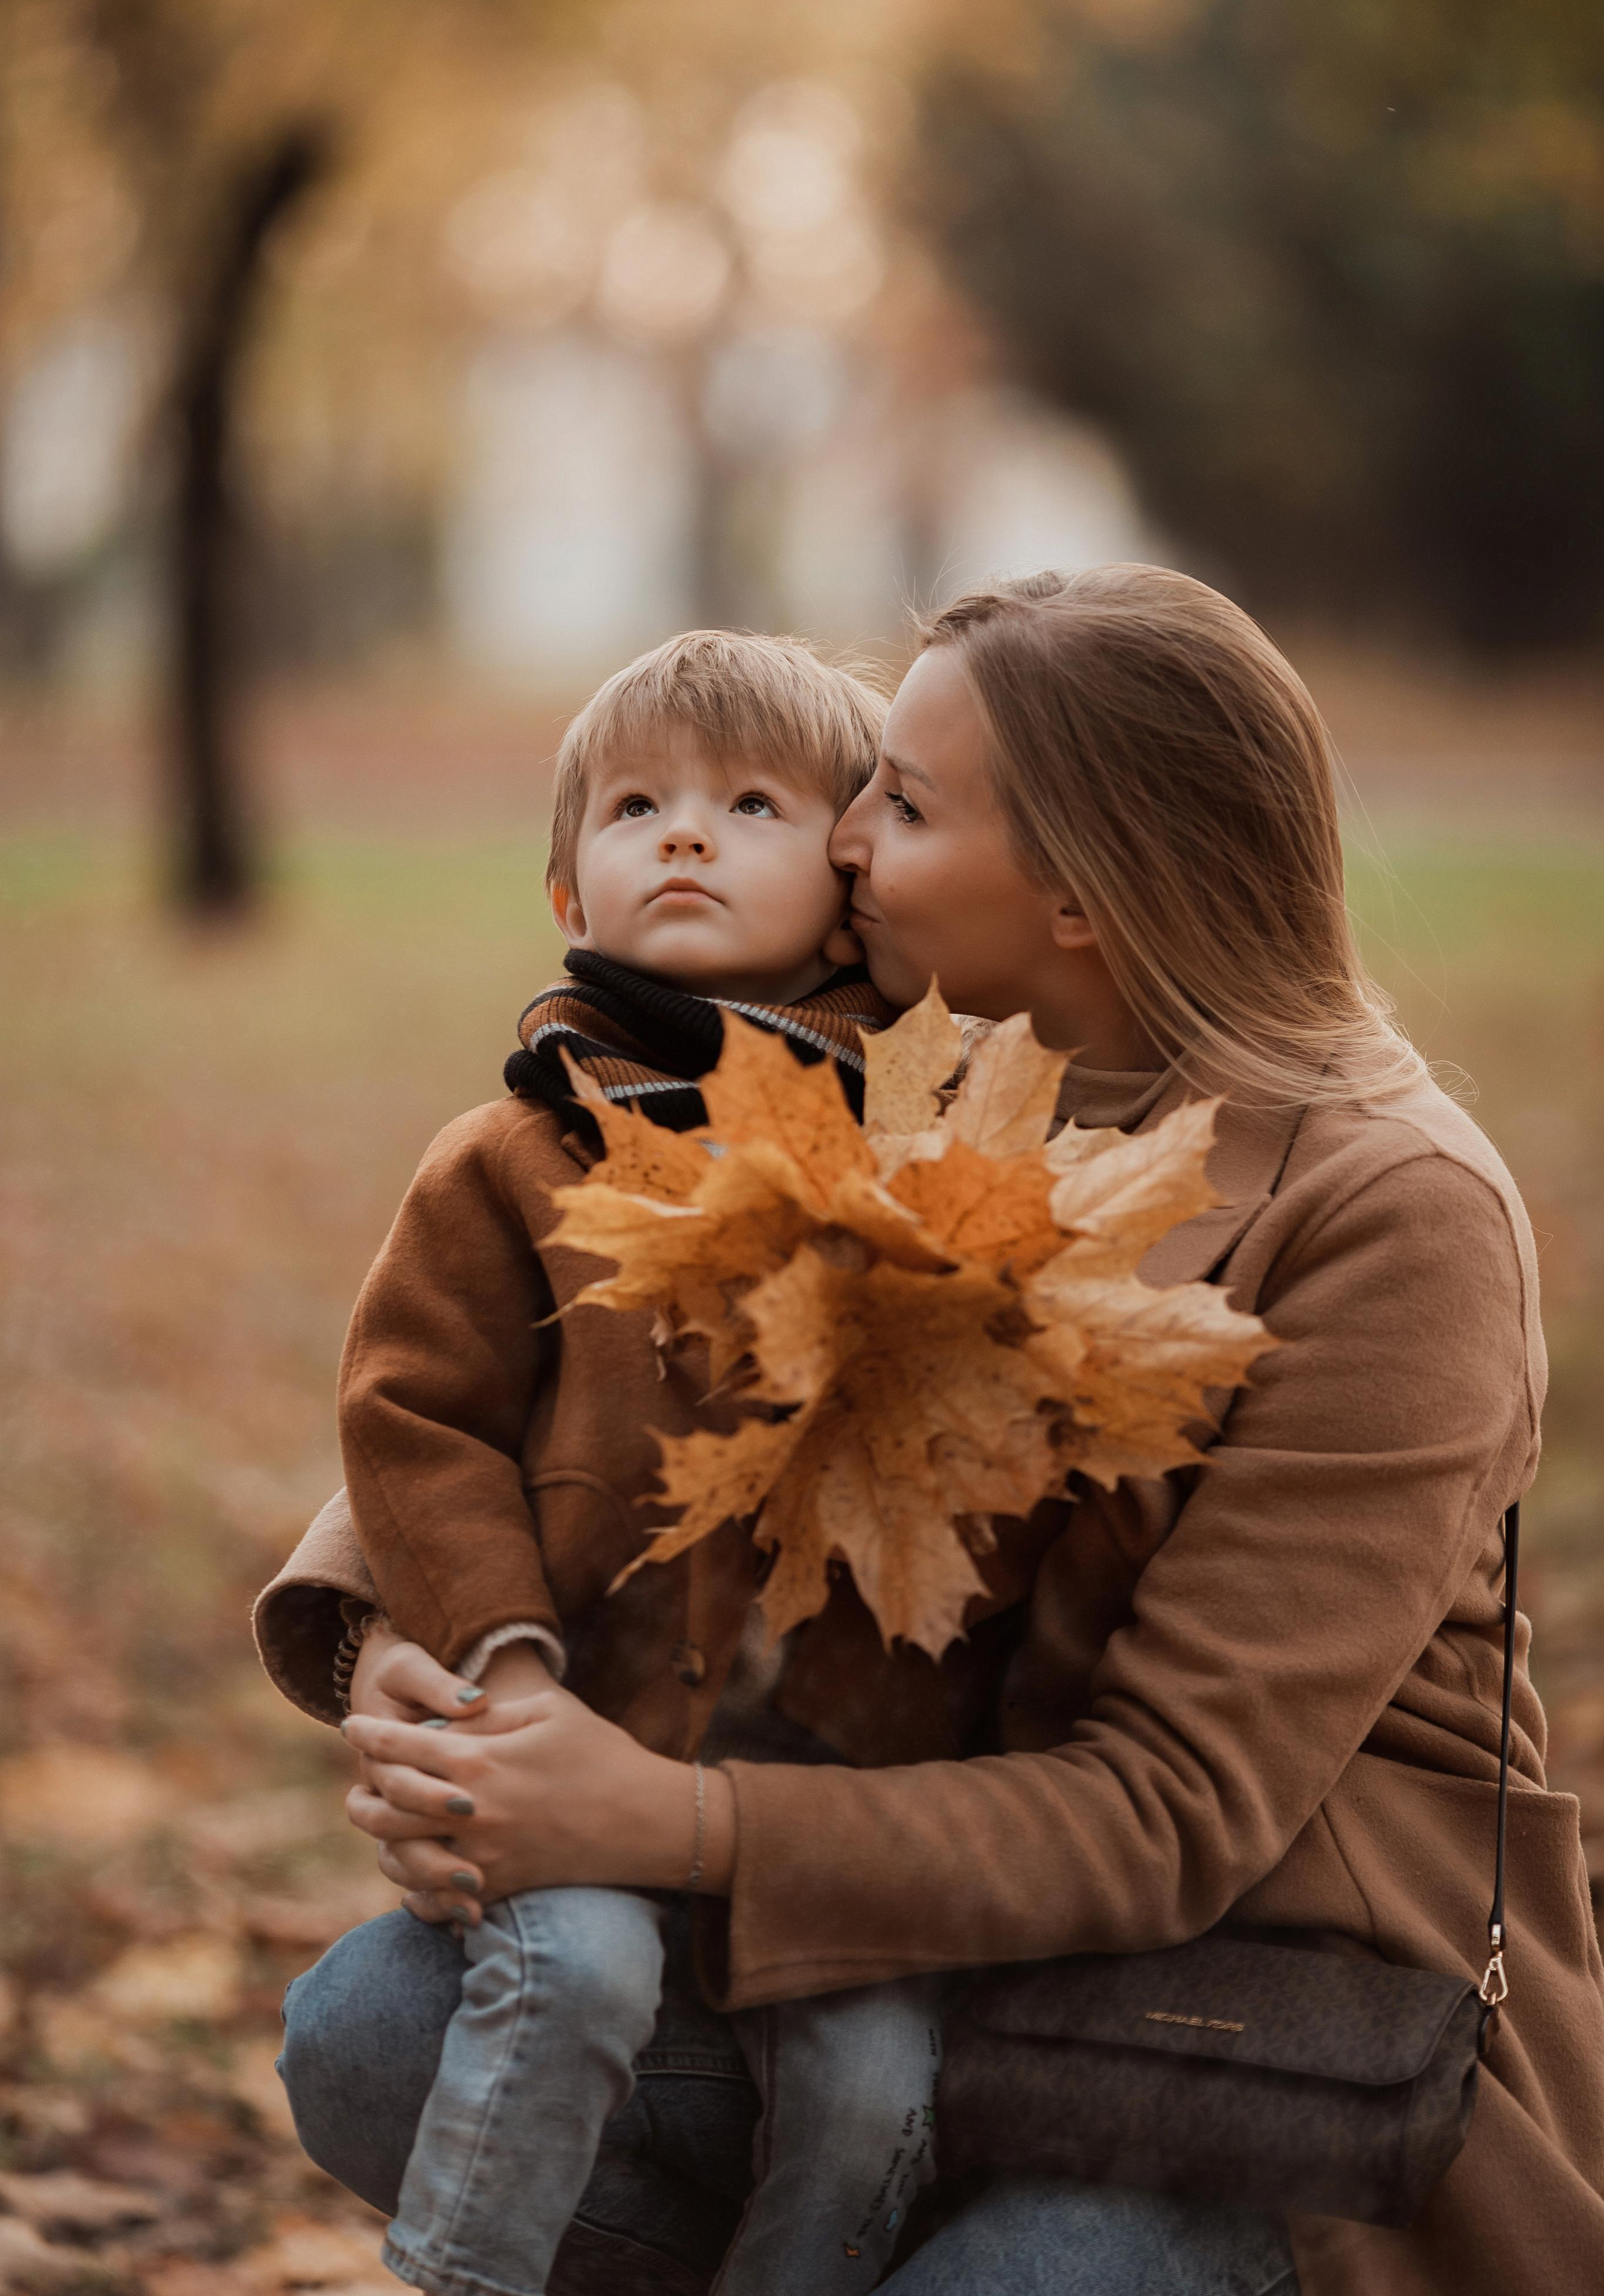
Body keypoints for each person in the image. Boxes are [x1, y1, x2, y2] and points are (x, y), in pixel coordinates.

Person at [260, 568, 1604, 2296]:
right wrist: (407, 1648)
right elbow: (575, 1384)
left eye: (898, 801)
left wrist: (650, 1820)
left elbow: (1171, 1812)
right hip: (890, 1946)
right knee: (380, 2028)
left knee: (1024, 2279)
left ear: (1079, 891)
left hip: (1233, 2025)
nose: (836, 847)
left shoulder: (1392, 1212)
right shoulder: (911, 1069)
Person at [296, 627, 946, 2296]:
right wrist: (498, 1659)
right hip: (583, 1727)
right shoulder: (513, 1154)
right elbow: (414, 1416)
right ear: (565, 892)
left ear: (856, 876)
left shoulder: (938, 1143)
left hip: (835, 1782)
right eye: (637, 803)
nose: (683, 833)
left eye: (751, 803)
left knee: (870, 2075)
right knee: (570, 1975)